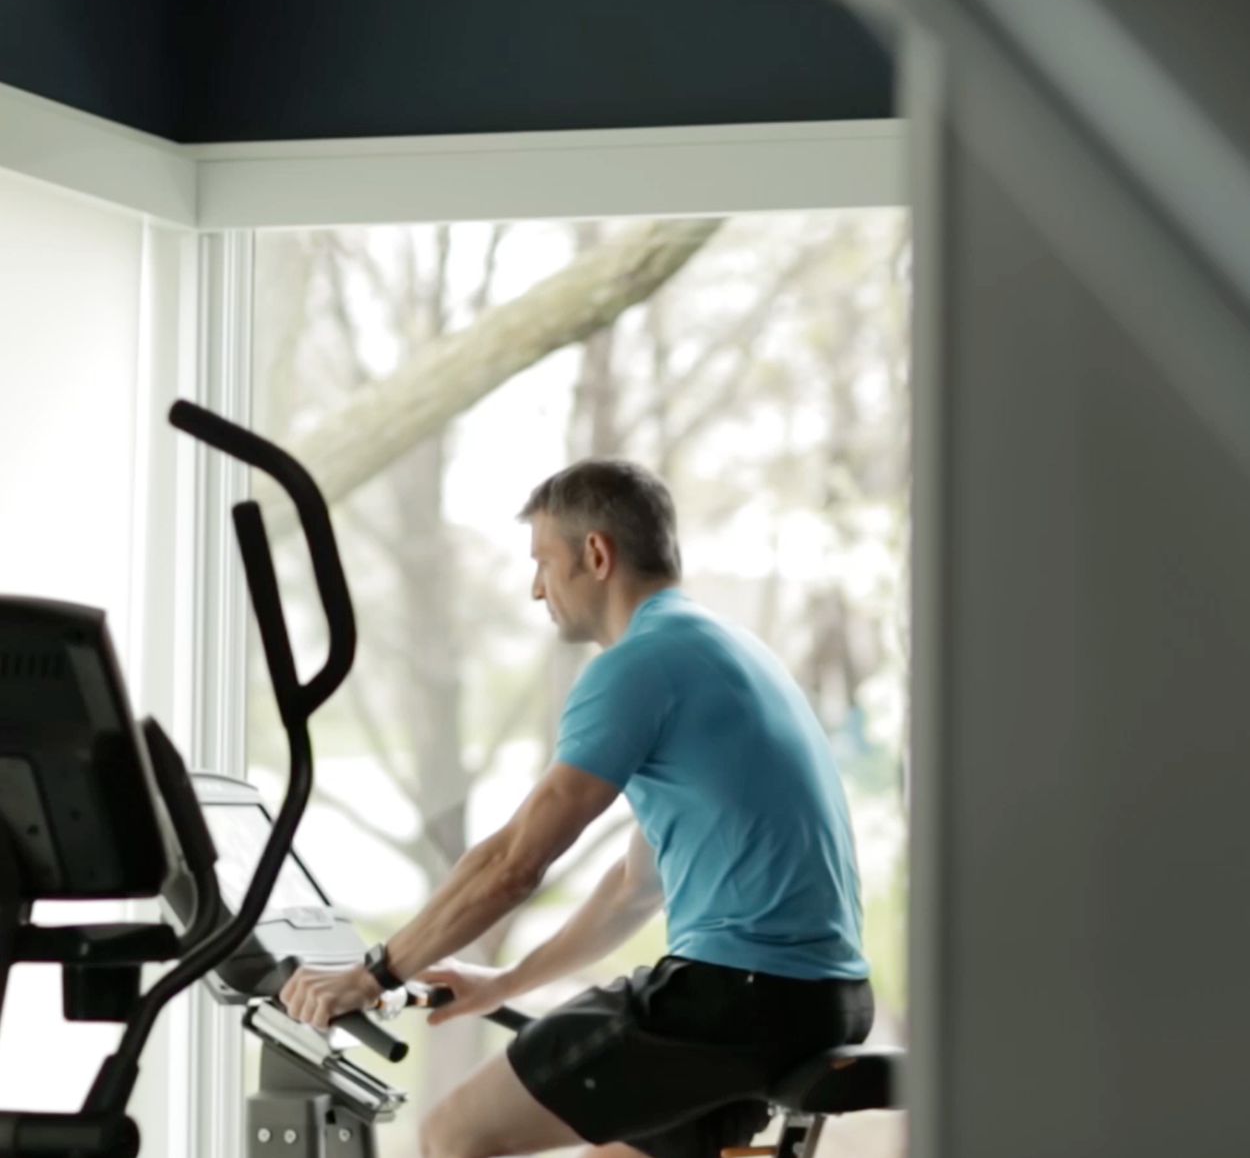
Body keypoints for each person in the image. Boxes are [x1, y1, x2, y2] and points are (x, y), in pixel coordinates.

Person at [280, 459, 873, 1158]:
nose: (537, 589)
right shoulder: (727, 651)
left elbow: (512, 863)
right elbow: (634, 886)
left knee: (452, 1135)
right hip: (823, 1001)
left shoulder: (637, 665)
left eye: (543, 562)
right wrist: (505, 981)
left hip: (733, 999)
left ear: (595, 554)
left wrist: (376, 972)